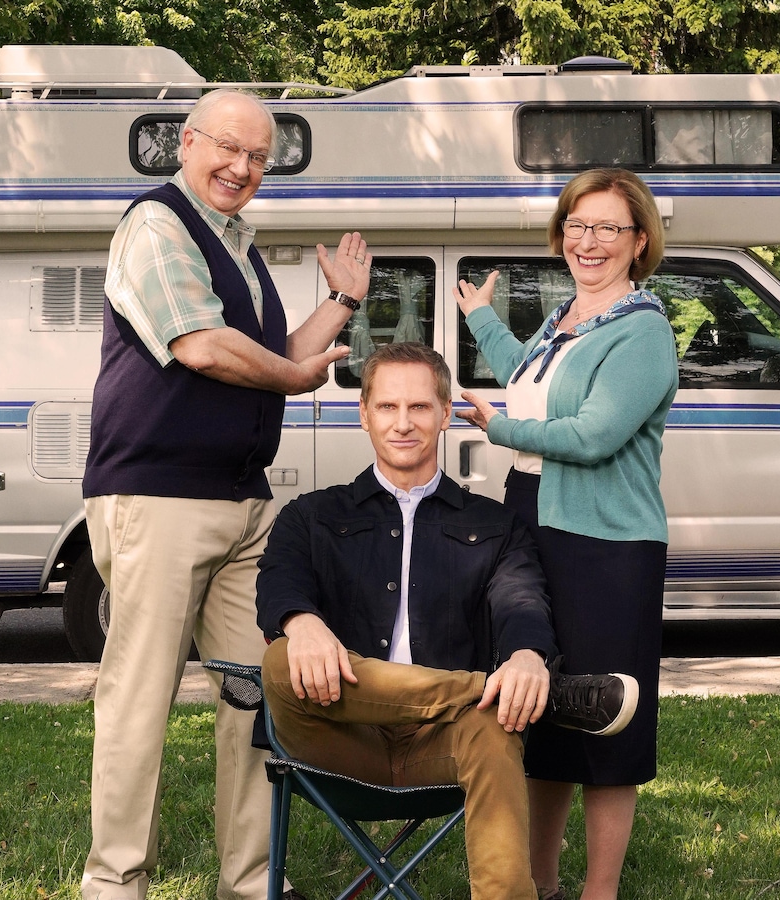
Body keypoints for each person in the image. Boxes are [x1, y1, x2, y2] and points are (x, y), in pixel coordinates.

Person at [79, 88, 372, 900]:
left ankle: (250, 883)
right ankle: (114, 884)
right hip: (159, 497)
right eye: (228, 149)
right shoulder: (157, 225)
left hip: (243, 502)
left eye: (258, 159)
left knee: (254, 699)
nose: (241, 168)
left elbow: (270, 352)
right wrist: (298, 379)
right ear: (186, 142)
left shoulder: (233, 241)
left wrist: (342, 301)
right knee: (139, 699)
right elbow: (203, 347)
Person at [255, 342, 638, 900]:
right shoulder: (312, 514)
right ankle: (526, 696)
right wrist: (302, 623)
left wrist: (528, 658)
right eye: (387, 407)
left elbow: (523, 602)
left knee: (491, 722)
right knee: (279, 658)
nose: (403, 423)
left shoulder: (495, 525)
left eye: (419, 408)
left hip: (447, 744)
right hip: (335, 737)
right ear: (364, 415)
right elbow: (278, 580)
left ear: (443, 415)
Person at [454, 167, 678, 900]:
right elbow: (528, 375)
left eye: (609, 228)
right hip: (535, 523)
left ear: (638, 241)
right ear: (561, 235)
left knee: (608, 719)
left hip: (606, 546)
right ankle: (541, 883)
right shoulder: (564, 324)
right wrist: (483, 318)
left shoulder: (643, 332)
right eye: (578, 226)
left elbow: (592, 435)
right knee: (541, 710)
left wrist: (499, 427)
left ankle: (598, 891)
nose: (590, 241)